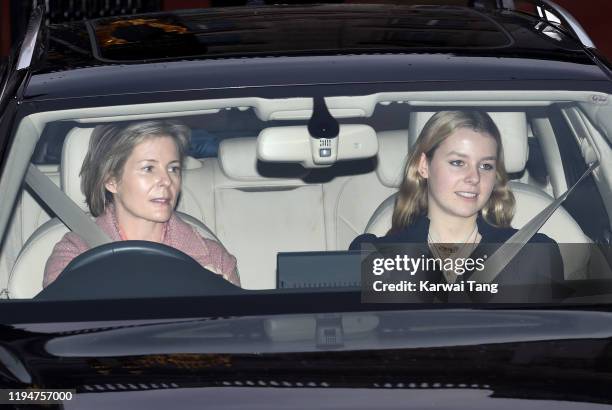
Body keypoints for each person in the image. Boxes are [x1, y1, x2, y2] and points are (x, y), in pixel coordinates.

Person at [351, 110, 563, 301]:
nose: (474, 177)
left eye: (486, 166)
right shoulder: (373, 254)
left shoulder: (534, 253)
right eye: (458, 163)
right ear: (424, 166)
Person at [43, 120, 240, 288]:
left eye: (173, 168)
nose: (167, 180)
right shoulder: (75, 253)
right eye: (148, 168)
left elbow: (238, 329)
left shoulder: (214, 259)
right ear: (111, 181)